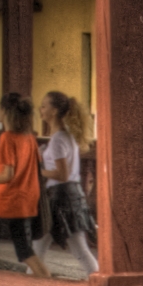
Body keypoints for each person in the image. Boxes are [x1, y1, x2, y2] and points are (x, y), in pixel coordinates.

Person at [0, 92, 46, 272]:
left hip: (4, 201)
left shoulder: (7, 138)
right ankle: (46, 279)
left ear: (5, 111)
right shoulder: (29, 138)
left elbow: (8, 174)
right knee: (25, 250)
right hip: (26, 200)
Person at [38, 90, 94, 271]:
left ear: (54, 111)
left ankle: (102, 285)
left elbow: (62, 174)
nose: (41, 109)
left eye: (44, 106)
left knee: (80, 250)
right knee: (38, 246)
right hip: (68, 196)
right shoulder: (65, 137)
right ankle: (30, 284)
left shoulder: (58, 140)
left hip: (61, 198)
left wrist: (39, 171)